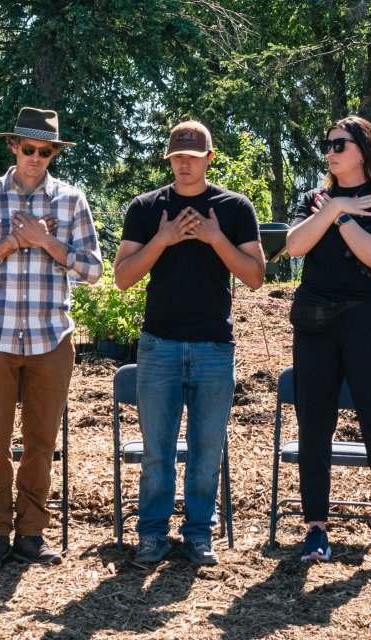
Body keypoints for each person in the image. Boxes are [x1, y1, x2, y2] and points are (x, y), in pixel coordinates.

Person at [0, 107, 102, 569]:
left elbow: (94, 270)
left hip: (51, 338)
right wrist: (8, 245)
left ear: (54, 152)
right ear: (13, 147)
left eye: (46, 150)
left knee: (41, 441)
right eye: (29, 148)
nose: (37, 156)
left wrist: (46, 242)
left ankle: (31, 534)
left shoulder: (72, 201)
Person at [112, 120, 264, 567]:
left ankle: (199, 533)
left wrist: (216, 237)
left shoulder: (234, 208)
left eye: (192, 157)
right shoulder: (146, 207)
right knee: (157, 452)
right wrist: (163, 238)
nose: (183, 164)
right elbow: (123, 277)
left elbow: (255, 277)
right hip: (159, 344)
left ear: (209, 159)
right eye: (177, 157)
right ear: (169, 160)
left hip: (214, 346)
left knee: (206, 450)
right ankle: (152, 535)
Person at [283, 115, 371, 573]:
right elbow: (294, 246)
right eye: (328, 144)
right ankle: (315, 528)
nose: (332, 151)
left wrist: (337, 218)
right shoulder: (312, 200)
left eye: (341, 144)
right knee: (314, 424)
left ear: (363, 149)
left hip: (367, 323)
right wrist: (334, 209)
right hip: (316, 324)